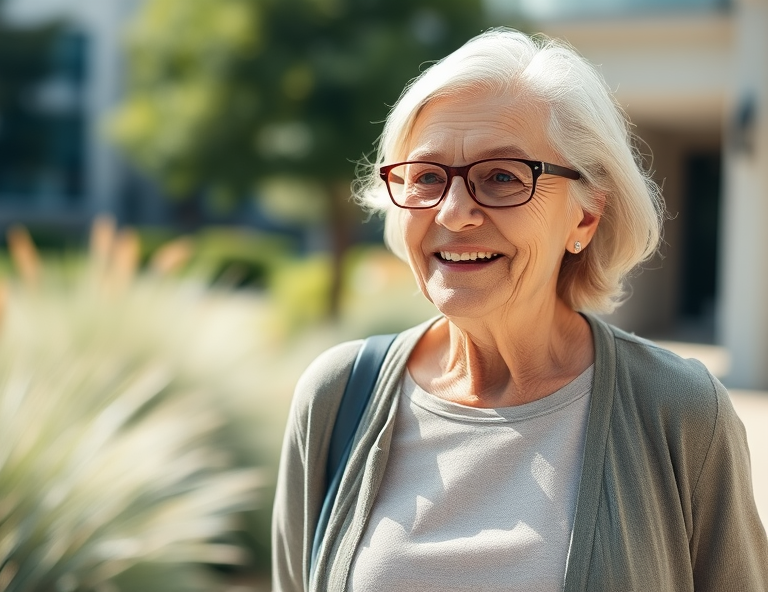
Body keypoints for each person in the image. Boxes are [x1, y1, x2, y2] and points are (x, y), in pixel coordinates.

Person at [271, 28, 768, 592]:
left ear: (584, 217)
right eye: (428, 177)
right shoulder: (338, 398)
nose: (454, 213)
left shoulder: (678, 410)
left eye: (503, 176)